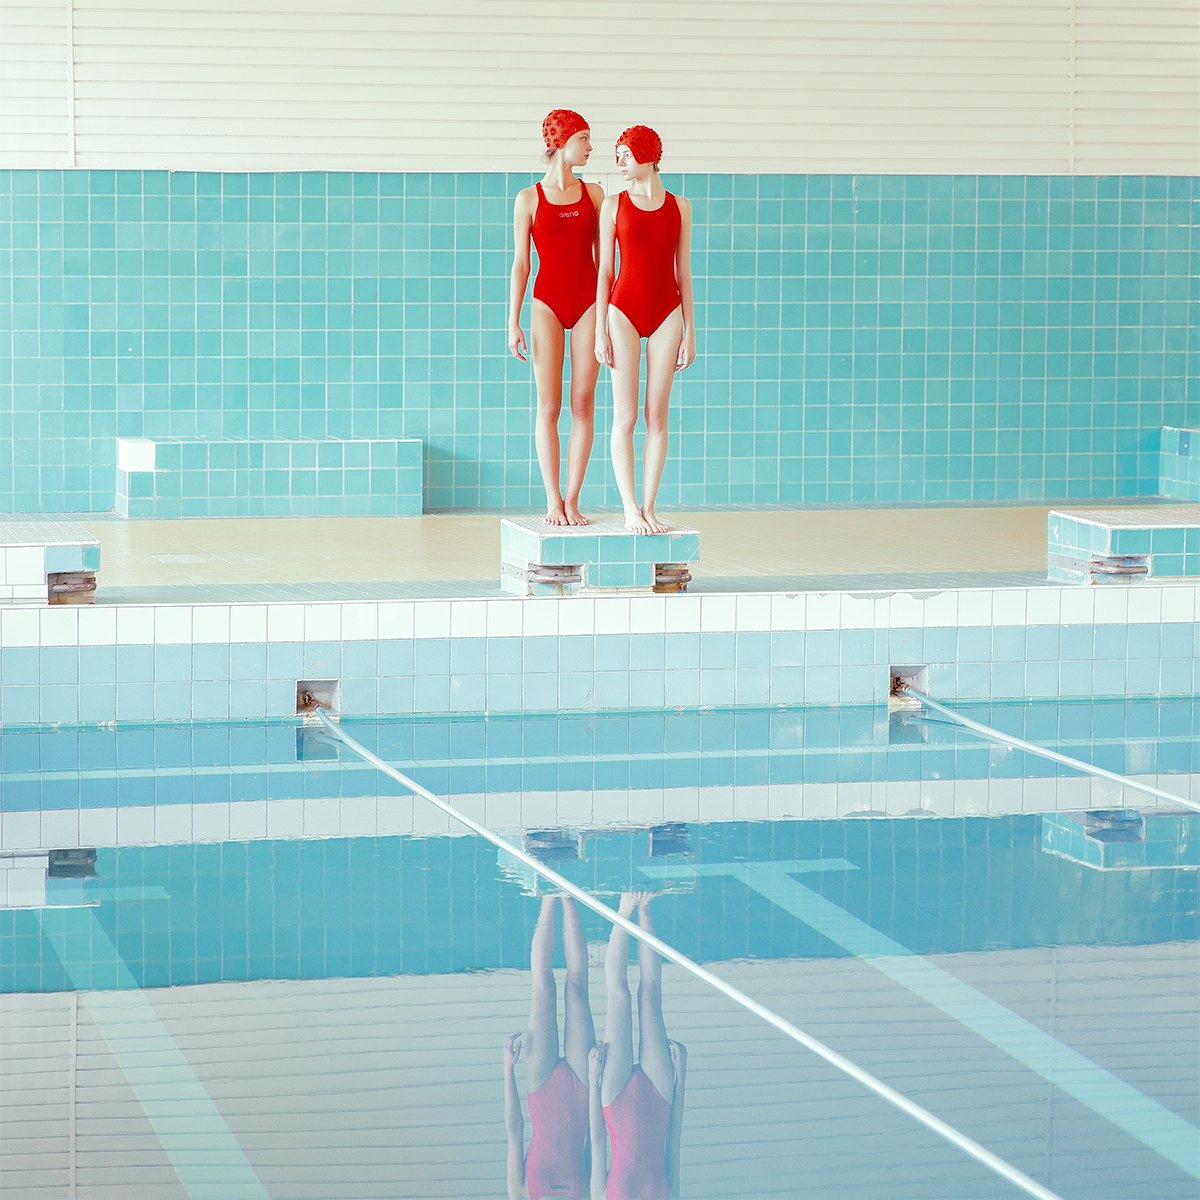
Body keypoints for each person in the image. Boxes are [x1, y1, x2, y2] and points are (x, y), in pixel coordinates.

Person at [594, 127, 695, 535]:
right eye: (616, 155)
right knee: (627, 416)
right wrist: (600, 329)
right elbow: (605, 271)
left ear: (647, 155)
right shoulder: (614, 205)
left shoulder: (681, 207)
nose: (618, 162)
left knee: (658, 415)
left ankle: (650, 508)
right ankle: (629, 508)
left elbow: (682, 271)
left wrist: (691, 331)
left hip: (667, 312)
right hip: (622, 311)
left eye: (624, 154)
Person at [509, 110, 605, 526]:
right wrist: (511, 322)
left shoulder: (595, 194)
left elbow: (606, 264)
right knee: (548, 406)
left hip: (587, 305)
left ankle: (572, 499)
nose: (590, 147)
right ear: (561, 142)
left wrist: (605, 319)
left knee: (582, 403)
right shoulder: (528, 198)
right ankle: (552, 500)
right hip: (546, 304)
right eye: (584, 138)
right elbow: (520, 265)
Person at [588, 892, 687, 1199]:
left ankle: (624, 909)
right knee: (650, 995)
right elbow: (673, 1142)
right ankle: (644, 908)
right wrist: (682, 1076)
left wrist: (593, 1079)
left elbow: (597, 1141)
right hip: (660, 1097)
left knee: (618, 995)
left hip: (615, 1101)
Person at [505, 895, 597, 1199]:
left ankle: (547, 899)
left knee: (543, 987)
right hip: (583, 1085)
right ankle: (570, 899)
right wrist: (597, 1081)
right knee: (577, 990)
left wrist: (508, 1071)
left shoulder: (520, 1195)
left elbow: (515, 1131)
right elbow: (596, 1138)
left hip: (539, 1085)